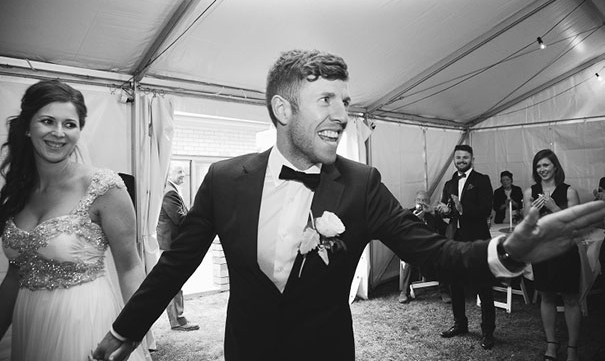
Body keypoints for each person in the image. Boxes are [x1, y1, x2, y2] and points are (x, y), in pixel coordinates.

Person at [92, 50, 605, 361]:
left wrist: (505, 252)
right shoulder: (225, 180)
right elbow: (176, 264)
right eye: (327, 100)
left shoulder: (361, 184)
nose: (342, 114)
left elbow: (433, 252)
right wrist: (125, 328)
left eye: (345, 100)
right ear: (282, 109)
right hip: (248, 350)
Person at [0, 80, 148, 361]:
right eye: (47, 121)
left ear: (79, 131)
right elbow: (13, 276)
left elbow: (130, 267)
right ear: (28, 127)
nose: (59, 133)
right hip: (30, 326)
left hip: (84, 323)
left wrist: (132, 332)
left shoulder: (103, 187)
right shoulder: (17, 191)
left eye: (69, 124)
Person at [435, 144, 496, 350]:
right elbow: (448, 211)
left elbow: (486, 209)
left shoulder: (482, 180)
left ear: (472, 159)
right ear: (454, 159)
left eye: (465, 157)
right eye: (458, 157)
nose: (461, 160)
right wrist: (444, 211)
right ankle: (460, 324)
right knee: (455, 284)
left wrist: (463, 209)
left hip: (477, 240)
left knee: (483, 287)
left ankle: (488, 331)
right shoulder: (450, 183)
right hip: (455, 241)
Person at [523, 149, 581, 361]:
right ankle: (551, 344)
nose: (542, 169)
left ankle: (572, 348)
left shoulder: (569, 191)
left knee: (570, 299)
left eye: (546, 165)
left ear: (555, 167)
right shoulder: (530, 192)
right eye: (538, 166)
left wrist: (554, 207)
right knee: (546, 296)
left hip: (565, 251)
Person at [156, 164, 199, 331]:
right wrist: (198, 217)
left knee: (174, 282)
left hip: (169, 243)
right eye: (179, 171)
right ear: (169, 174)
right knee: (173, 283)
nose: (184, 174)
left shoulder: (172, 190)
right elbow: (180, 219)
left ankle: (178, 319)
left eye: (184, 171)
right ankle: (178, 321)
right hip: (170, 244)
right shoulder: (170, 192)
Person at [399, 190, 451, 304]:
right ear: (415, 201)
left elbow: (444, 228)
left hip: (430, 248)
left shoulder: (431, 214)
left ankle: (444, 291)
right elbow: (402, 231)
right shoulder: (408, 213)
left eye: (424, 200)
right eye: (419, 200)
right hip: (414, 248)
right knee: (408, 257)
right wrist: (414, 219)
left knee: (442, 257)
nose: (421, 202)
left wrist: (432, 214)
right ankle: (404, 292)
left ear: (428, 202)